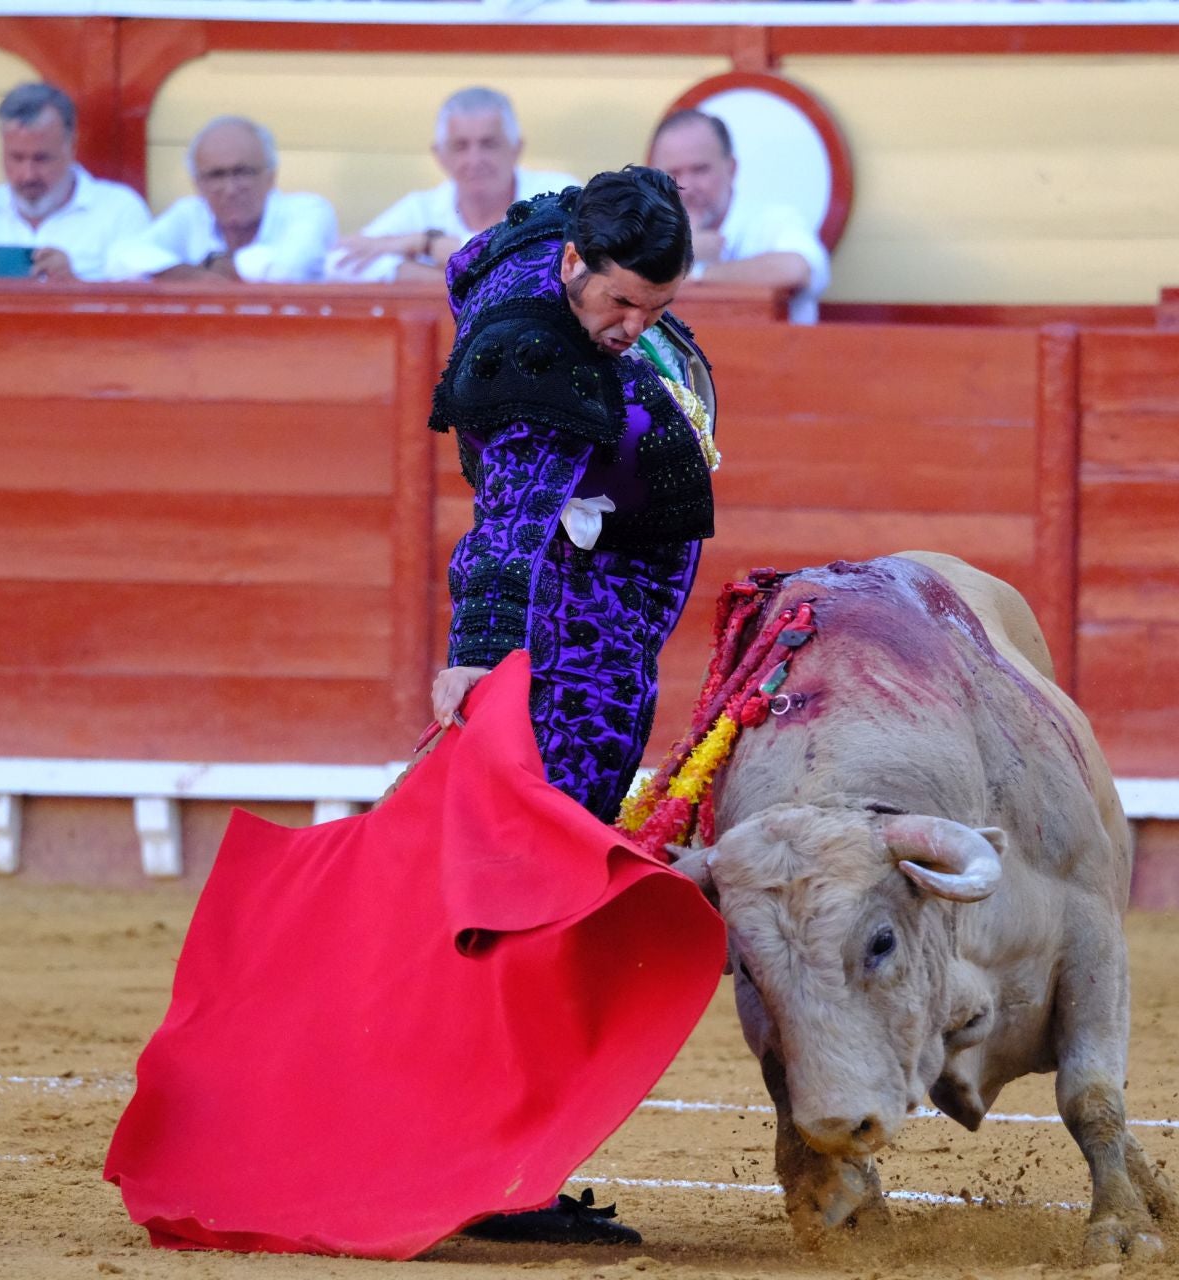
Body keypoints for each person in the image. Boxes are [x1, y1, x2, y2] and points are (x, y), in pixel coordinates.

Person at [426, 169, 715, 1240]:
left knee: (540, 879)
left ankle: (491, 1146)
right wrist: (479, 656)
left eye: (658, 307)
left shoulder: (557, 245)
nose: (634, 327)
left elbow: (470, 255)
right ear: (571, 266)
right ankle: (502, 1165)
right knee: (547, 887)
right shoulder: (538, 359)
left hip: (594, 622)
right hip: (575, 641)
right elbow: (506, 525)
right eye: (621, 303)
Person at [324, 86, 578, 284]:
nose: (474, 160)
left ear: (516, 149)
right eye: (460, 146)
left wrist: (427, 244)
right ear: (439, 155)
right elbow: (336, 263)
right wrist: (448, 282)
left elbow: (554, 263)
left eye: (488, 144)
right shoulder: (421, 207)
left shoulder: (557, 194)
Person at [0, 82, 150, 283]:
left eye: (41, 159)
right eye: (16, 158)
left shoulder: (120, 211)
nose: (28, 175)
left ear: (72, 147)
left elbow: (140, 307)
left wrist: (73, 285)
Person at [648, 107, 830, 324]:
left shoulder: (773, 222)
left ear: (731, 169)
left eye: (700, 170)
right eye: (673, 173)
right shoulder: (642, 234)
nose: (687, 186)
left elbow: (797, 270)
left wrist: (695, 272)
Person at [107, 116, 336, 284]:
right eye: (216, 175)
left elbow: (287, 269)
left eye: (243, 172)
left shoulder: (308, 209)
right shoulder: (190, 213)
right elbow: (119, 259)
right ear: (198, 184)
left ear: (271, 176)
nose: (230, 189)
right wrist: (197, 277)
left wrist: (210, 268)